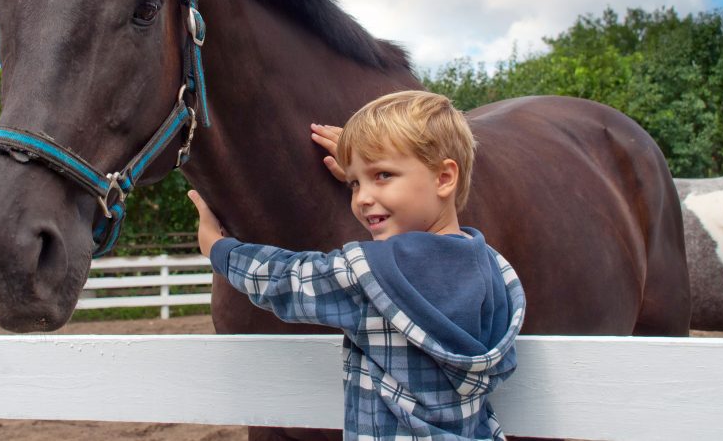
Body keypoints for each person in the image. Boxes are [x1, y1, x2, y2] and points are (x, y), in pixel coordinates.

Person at [188, 90, 525, 440]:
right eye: (354, 184)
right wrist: (374, 172)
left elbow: (286, 279)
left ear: (443, 179)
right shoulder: (491, 267)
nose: (363, 198)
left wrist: (219, 249)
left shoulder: (369, 275)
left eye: (383, 176)